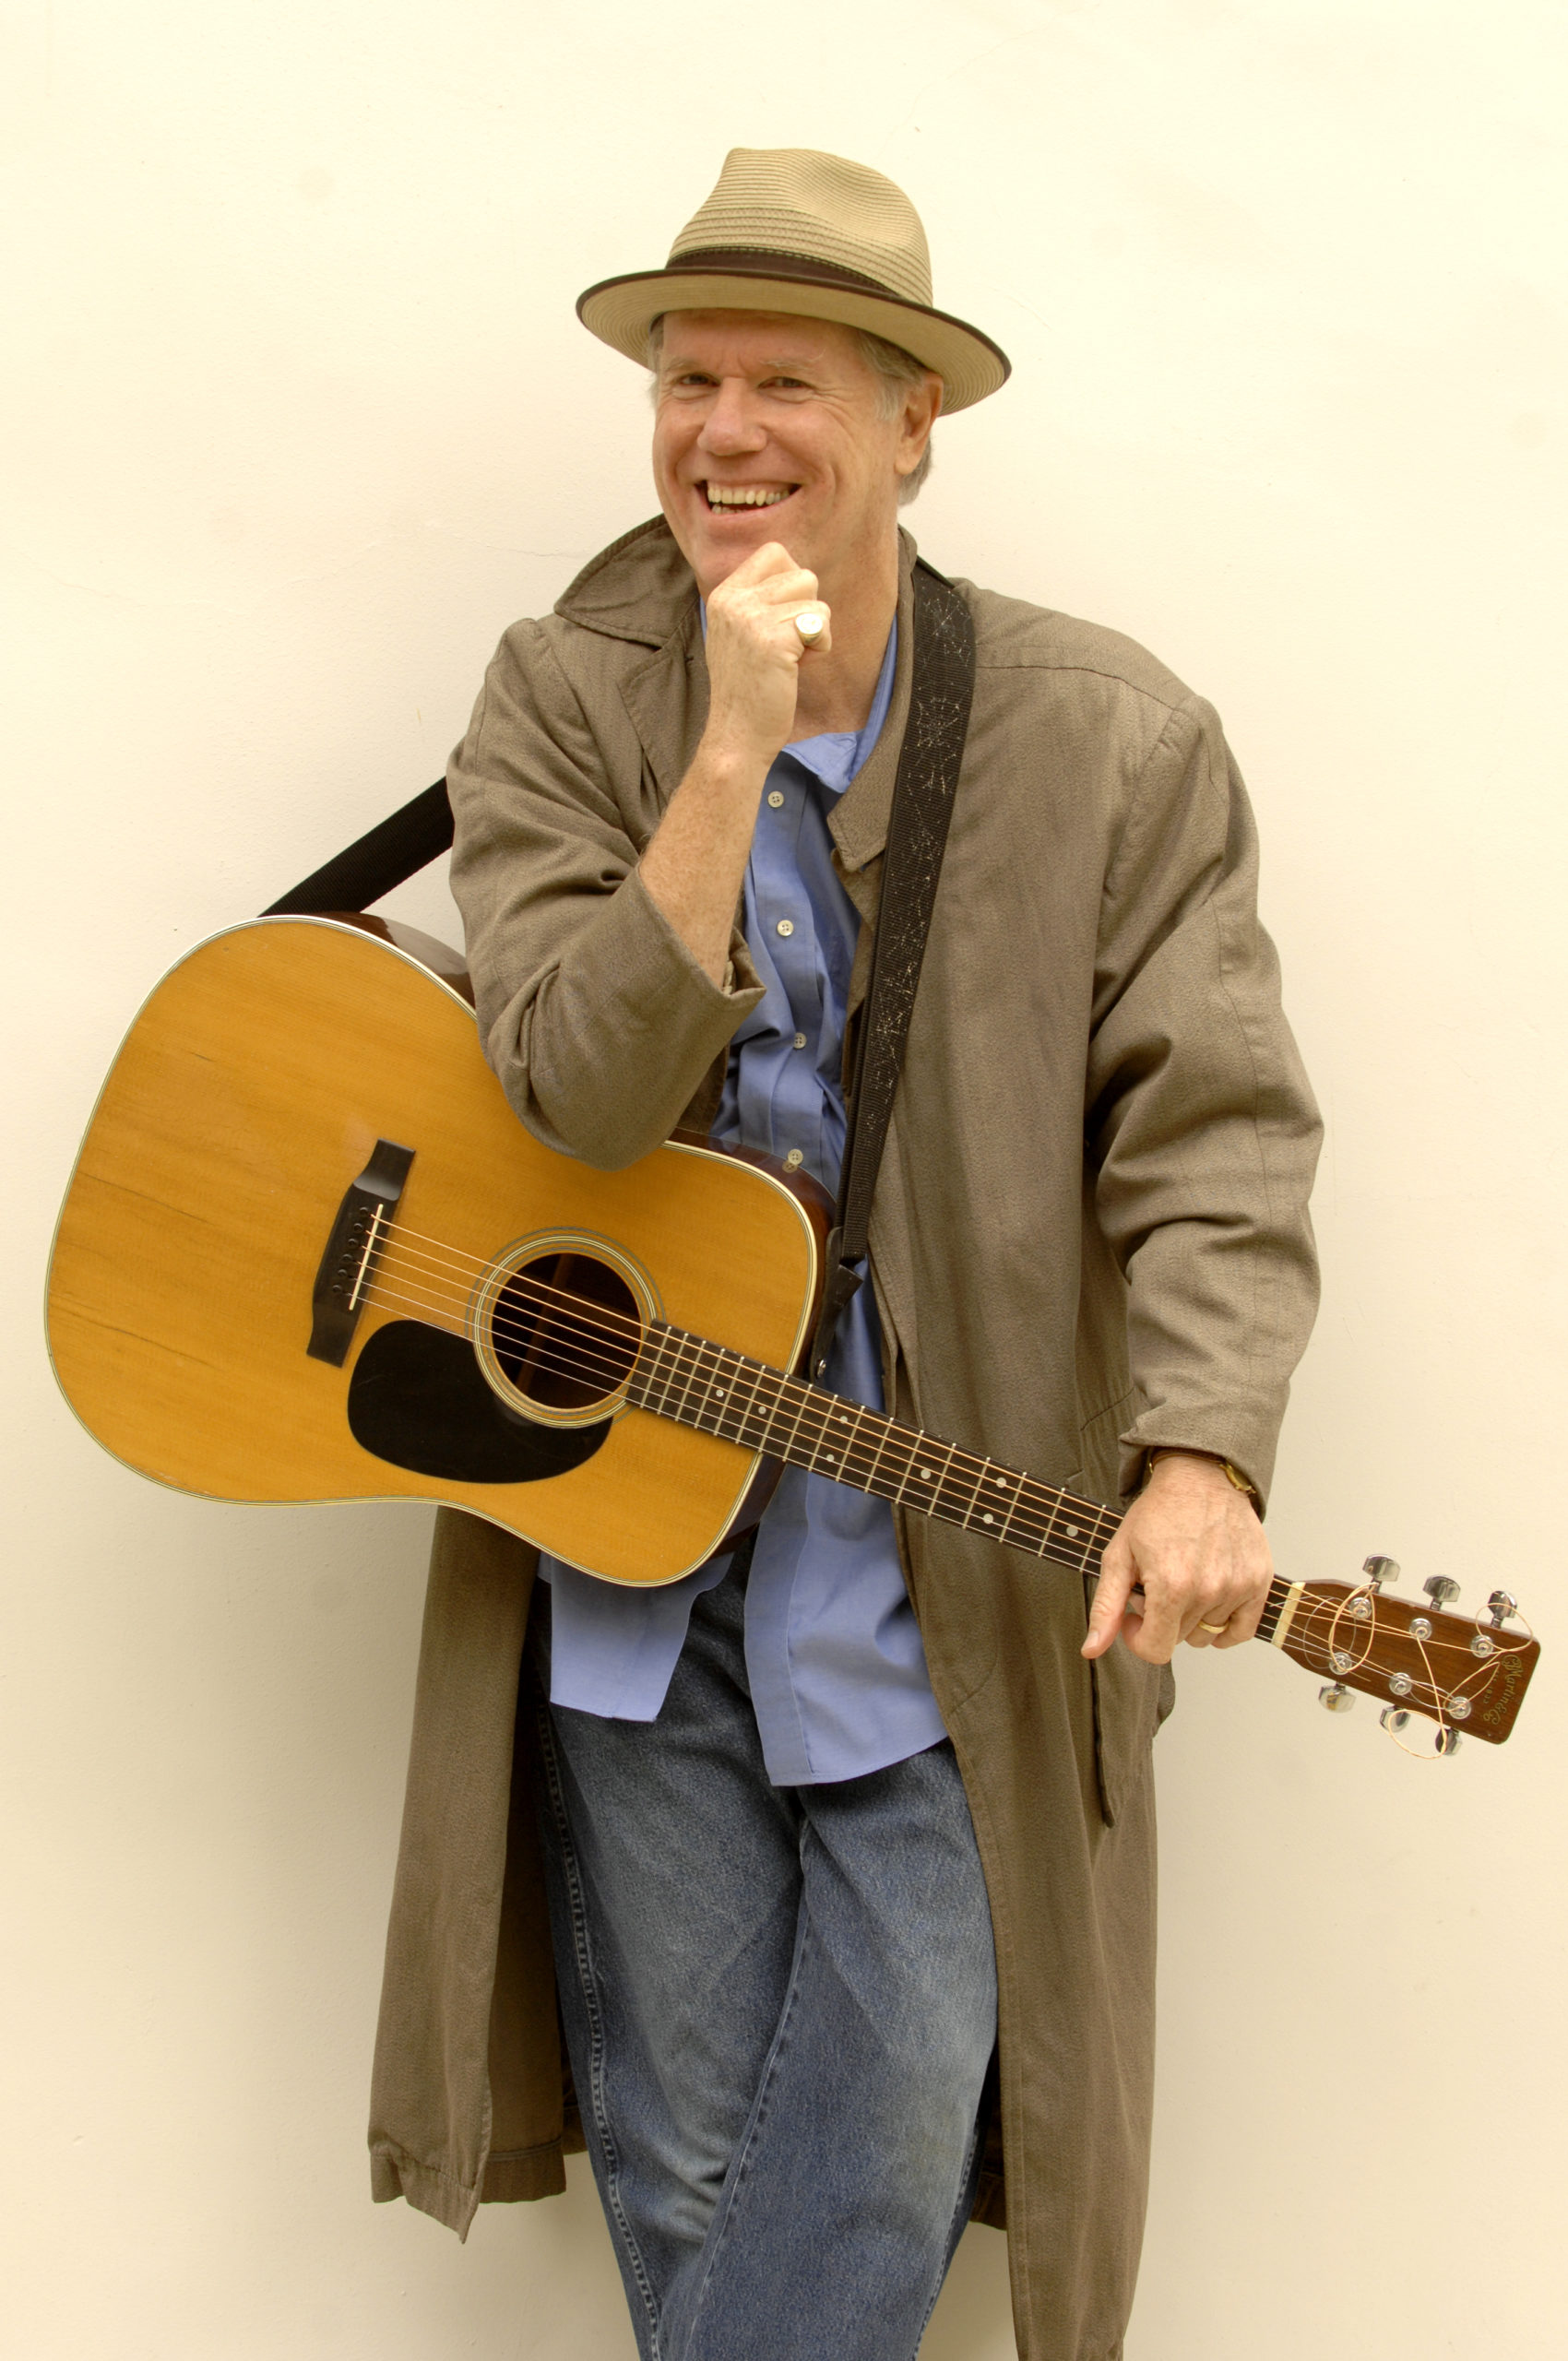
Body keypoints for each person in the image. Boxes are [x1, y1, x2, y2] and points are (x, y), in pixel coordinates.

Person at [368, 148, 1322, 2361]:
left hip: (943, 1576)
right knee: (692, 2164)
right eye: (684, 379)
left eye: (783, 377)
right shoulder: (560, 699)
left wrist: (1199, 1446)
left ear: (913, 418)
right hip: (630, 1556)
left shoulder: (1114, 738)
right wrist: (722, 751)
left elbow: (1219, 1133)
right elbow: (567, 1091)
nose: (721, 430)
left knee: (889, 2137)